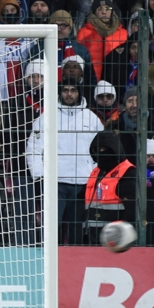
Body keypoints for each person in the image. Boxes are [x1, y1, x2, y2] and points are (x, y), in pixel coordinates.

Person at [27, 77, 101, 245]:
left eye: (73, 90)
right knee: (52, 228)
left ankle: (74, 265)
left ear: (79, 92)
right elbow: (33, 148)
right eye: (65, 90)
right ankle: (51, 265)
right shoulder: (47, 117)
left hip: (83, 182)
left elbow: (102, 149)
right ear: (60, 92)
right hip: (55, 182)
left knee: (77, 229)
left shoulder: (92, 119)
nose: (69, 94)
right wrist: (39, 175)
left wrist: (94, 173)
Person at [84, 131, 136, 245]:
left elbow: (132, 210)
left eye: (103, 149)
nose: (99, 153)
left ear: (114, 148)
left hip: (118, 240)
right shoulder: (96, 172)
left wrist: (122, 236)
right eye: (95, 150)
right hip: (92, 237)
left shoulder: (128, 173)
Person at [76, 0, 128, 81]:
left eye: (107, 8)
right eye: (100, 9)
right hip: (91, 79)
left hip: (116, 80)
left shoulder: (123, 33)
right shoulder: (84, 33)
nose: (104, 12)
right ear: (94, 12)